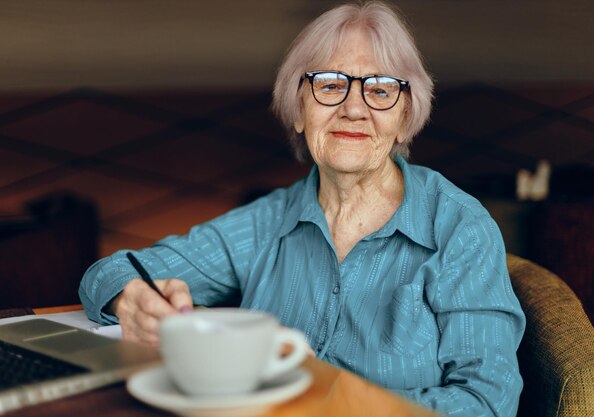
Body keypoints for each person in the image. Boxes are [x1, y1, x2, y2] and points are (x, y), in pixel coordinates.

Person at [79, 2, 525, 416]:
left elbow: (487, 401)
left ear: (405, 116)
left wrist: (333, 404)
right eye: (330, 85)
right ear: (298, 109)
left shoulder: (458, 228)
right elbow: (111, 272)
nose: (354, 109)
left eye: (381, 89)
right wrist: (129, 298)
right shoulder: (266, 222)